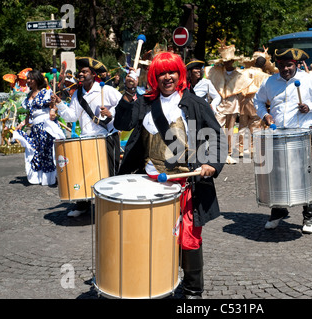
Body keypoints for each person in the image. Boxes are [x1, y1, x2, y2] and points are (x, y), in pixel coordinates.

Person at [113, 52, 226, 299]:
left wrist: (212, 165)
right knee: (151, 237)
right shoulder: (143, 102)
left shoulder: (195, 103)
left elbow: (216, 137)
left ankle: (193, 291)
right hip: (149, 183)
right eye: (161, 72)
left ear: (179, 74)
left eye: (171, 72)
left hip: (186, 183)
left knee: (189, 237)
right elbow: (121, 124)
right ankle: (154, 280)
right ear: (154, 76)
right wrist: (128, 93)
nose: (167, 77)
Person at [254, 48, 312, 233]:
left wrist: (311, 106)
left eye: (289, 65)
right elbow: (257, 101)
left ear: (296, 64)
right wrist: (265, 114)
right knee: (277, 174)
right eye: (281, 65)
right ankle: (278, 211)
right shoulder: (270, 82)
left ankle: (309, 217)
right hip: (278, 135)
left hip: (303, 134)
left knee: (306, 173)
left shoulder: (309, 80)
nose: (285, 69)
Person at [52, 57, 122, 217]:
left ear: (93, 74)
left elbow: (123, 105)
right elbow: (72, 116)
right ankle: (82, 205)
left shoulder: (106, 90)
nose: (80, 74)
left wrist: (111, 113)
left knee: (108, 173)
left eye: (84, 72)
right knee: (84, 172)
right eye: (80, 71)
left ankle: (110, 204)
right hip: (87, 138)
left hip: (106, 137)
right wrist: (60, 104)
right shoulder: (77, 94)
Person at [12, 70, 65, 186]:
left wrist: (52, 110)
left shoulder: (46, 92)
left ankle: (53, 178)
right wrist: (21, 125)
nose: (28, 81)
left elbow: (54, 104)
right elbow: (29, 115)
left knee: (48, 151)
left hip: (46, 126)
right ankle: (41, 178)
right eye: (28, 79)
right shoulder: (28, 96)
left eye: (31, 78)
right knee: (38, 152)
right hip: (35, 128)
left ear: (37, 79)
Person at [208, 39, 253, 164]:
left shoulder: (239, 74)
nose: (229, 63)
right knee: (218, 128)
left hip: (233, 105)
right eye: (226, 61)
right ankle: (217, 151)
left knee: (230, 129)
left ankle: (227, 153)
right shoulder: (216, 72)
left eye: (231, 61)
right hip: (220, 105)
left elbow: (241, 89)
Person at [237, 55, 270, 158]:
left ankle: (241, 149)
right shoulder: (265, 76)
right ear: (264, 65)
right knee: (255, 125)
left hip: (242, 100)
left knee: (242, 125)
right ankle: (253, 149)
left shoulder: (244, 72)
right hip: (255, 100)